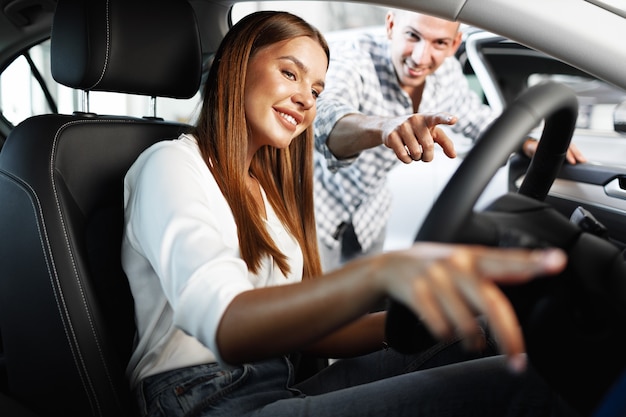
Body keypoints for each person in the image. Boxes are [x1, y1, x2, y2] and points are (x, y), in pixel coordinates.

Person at [121, 10, 578, 417]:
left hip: (274, 382)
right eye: (289, 73)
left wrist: (413, 319)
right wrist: (380, 273)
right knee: (527, 388)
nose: (306, 99)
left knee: (482, 332)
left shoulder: (266, 193)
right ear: (235, 66)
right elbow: (227, 327)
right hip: (203, 398)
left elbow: (309, 336)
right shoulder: (172, 165)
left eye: (315, 88)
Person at [313, 9, 587, 272]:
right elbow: (324, 116)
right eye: (412, 36)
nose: (421, 57)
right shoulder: (354, 58)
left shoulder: (447, 74)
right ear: (391, 26)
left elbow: (475, 117)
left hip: (371, 215)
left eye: (439, 42)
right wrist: (384, 126)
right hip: (316, 209)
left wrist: (527, 141)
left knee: (361, 304)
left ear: (455, 43)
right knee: (313, 311)